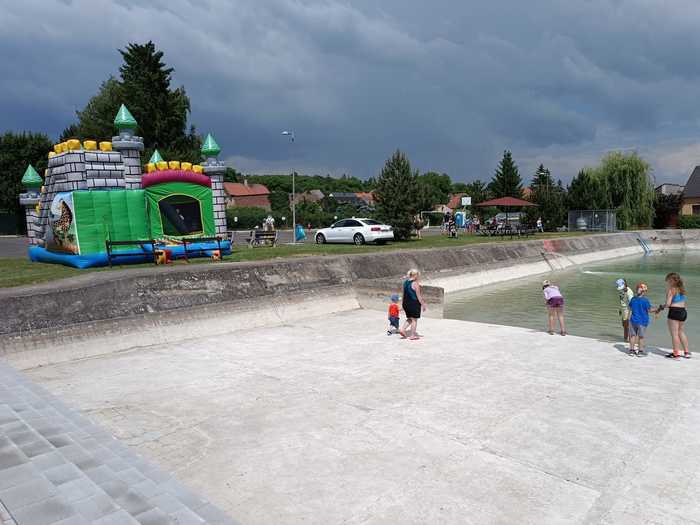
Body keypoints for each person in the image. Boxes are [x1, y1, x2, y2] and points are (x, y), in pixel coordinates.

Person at [659, 272, 690, 359]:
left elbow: (668, 304)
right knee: (681, 332)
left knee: (674, 334)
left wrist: (662, 307)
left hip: (674, 311)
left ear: (672, 281)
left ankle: (676, 354)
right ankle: (687, 352)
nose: (667, 283)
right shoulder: (682, 290)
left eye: (668, 281)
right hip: (683, 311)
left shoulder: (671, 290)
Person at [628, 282, 659, 356]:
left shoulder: (633, 299)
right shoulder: (645, 300)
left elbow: (630, 309)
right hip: (642, 321)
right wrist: (657, 309)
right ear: (644, 292)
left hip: (633, 320)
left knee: (632, 336)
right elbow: (649, 310)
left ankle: (631, 350)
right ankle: (640, 351)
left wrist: (629, 319)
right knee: (641, 337)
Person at [400, 269, 426, 340]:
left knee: (410, 318)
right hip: (413, 303)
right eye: (418, 275)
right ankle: (412, 335)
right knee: (414, 320)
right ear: (415, 275)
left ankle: (402, 330)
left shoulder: (405, 282)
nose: (419, 277)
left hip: (405, 303)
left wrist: (402, 304)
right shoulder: (415, 283)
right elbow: (419, 296)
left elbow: (403, 294)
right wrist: (423, 304)